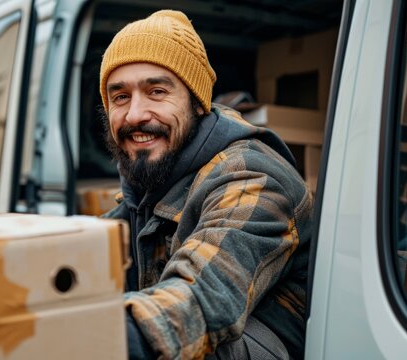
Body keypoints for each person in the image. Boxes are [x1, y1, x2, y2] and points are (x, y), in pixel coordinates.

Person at [99, 9, 312, 360]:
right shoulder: (147, 184)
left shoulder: (252, 176)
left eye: (156, 91)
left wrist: (83, 334)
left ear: (198, 104)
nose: (135, 114)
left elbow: (205, 294)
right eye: (120, 97)